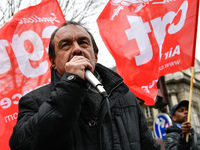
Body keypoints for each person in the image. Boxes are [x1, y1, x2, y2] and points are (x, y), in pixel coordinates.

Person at [9, 21, 161, 150]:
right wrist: (71, 84)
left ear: (95, 55)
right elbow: (22, 144)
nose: (77, 49)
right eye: (65, 45)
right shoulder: (34, 101)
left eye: (83, 43)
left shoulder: (127, 99)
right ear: (53, 61)